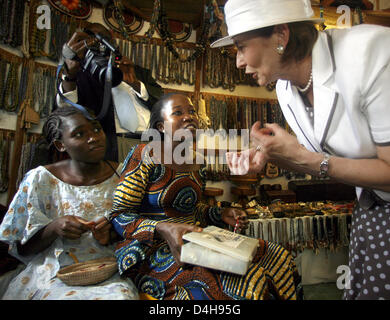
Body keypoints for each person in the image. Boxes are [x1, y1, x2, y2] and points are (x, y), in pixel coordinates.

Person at [211, 0, 390, 300]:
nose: (238, 62)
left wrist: (307, 159)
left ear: (281, 35)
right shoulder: (285, 89)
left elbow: (321, 163)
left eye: (241, 46)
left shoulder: (370, 53)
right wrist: (274, 155)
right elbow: (316, 162)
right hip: (372, 207)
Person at [108, 92, 302, 300]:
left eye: (192, 111)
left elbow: (194, 209)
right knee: (240, 282)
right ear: (160, 127)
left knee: (278, 257)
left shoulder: (196, 161)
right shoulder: (145, 155)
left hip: (195, 240)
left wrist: (221, 214)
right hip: (152, 249)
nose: (189, 116)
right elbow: (119, 215)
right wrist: (163, 228)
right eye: (177, 113)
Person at [0, 106, 138, 300]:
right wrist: (53, 228)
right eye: (79, 134)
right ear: (60, 145)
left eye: (97, 129)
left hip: (111, 270)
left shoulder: (126, 176)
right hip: (54, 272)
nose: (93, 138)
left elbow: (141, 231)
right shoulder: (40, 180)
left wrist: (114, 232)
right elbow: (20, 248)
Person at [56, 22, 163, 162]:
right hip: (116, 145)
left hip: (153, 143)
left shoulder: (136, 70)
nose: (99, 44)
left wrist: (136, 84)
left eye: (103, 39)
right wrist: (69, 75)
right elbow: (66, 111)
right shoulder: (80, 75)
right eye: (91, 40)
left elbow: (163, 103)